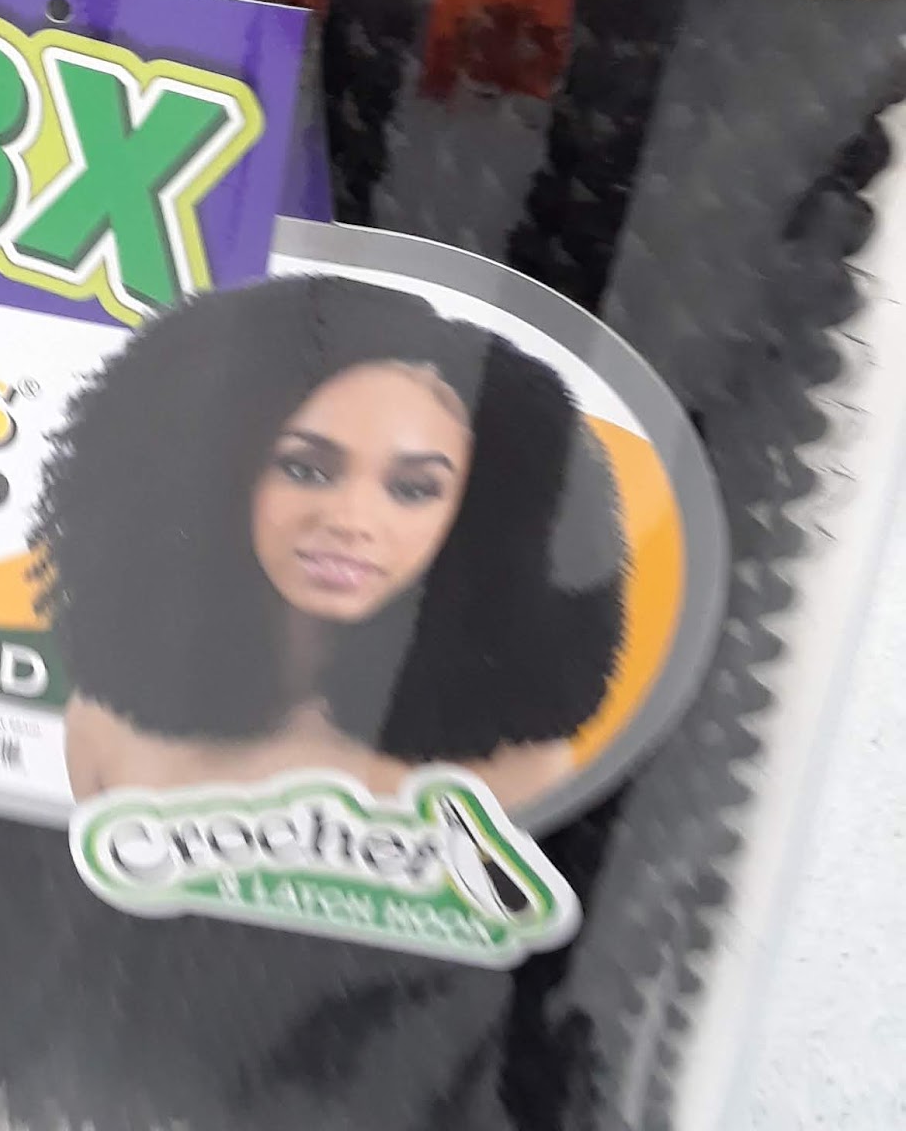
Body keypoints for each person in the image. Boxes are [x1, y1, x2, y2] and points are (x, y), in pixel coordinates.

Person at [33, 274, 626, 813]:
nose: (350, 520)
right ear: (214, 471)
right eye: (304, 469)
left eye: (414, 488)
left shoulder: (521, 770)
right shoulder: (106, 729)